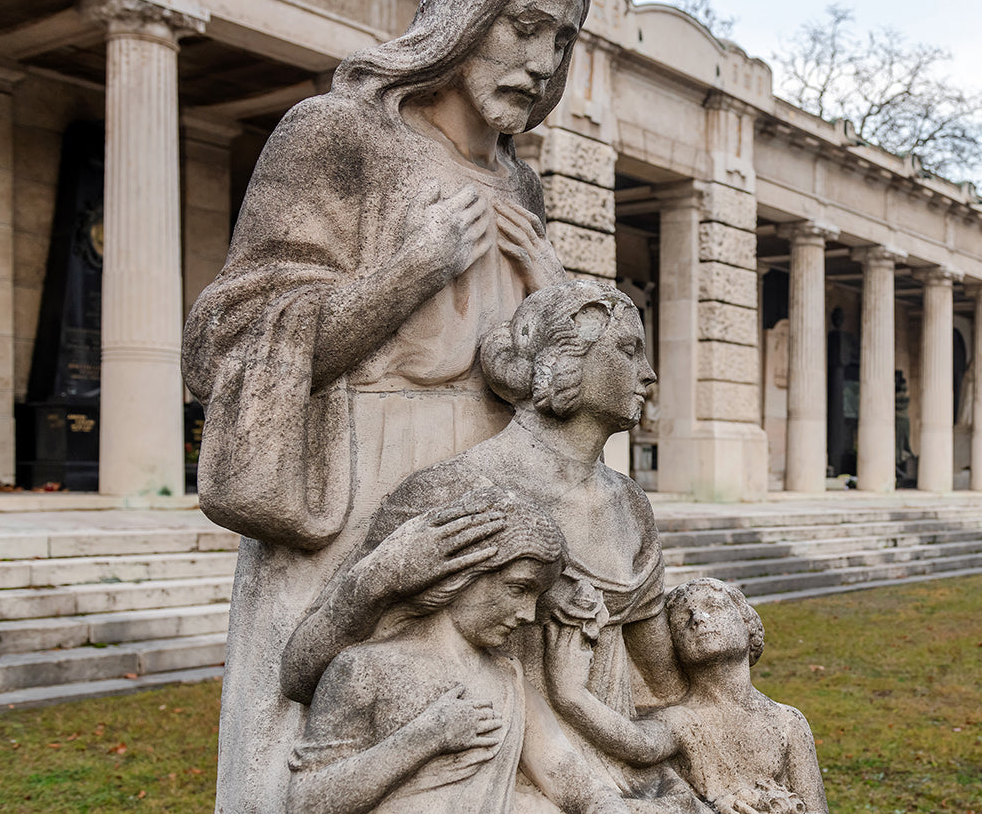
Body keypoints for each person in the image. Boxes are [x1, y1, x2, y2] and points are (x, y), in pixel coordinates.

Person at [180, 0, 592, 812]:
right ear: (462, 12)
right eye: (523, 25)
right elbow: (225, 347)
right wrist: (411, 270)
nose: (541, 61)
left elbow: (524, 373)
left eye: (561, 39)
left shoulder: (520, 184)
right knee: (327, 740)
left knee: (481, 753)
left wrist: (551, 290)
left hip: (490, 501)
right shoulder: (335, 135)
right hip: (356, 488)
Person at [283, 280, 705, 812]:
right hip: (491, 770)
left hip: (613, 761)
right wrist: (382, 575)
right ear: (563, 358)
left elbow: (661, 685)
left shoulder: (629, 504)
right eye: (628, 349)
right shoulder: (455, 490)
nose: (648, 373)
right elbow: (300, 674)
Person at [285, 487, 628, 814]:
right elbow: (306, 801)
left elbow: (575, 784)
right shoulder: (363, 668)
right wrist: (428, 735)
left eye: (536, 597)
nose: (528, 613)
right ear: (465, 572)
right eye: (519, 588)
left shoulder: (507, 676)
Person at [544, 578, 828, 814]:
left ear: (747, 625)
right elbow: (637, 744)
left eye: (713, 607)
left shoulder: (787, 721)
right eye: (683, 618)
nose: (697, 618)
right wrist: (571, 695)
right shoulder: (680, 720)